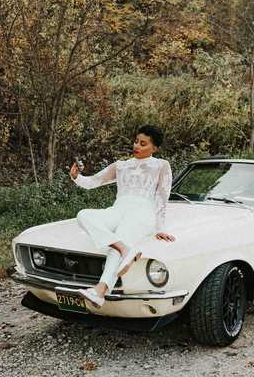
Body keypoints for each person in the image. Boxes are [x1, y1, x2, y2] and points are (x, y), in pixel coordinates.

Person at [68, 125, 175, 307]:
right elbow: (92, 182)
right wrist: (76, 177)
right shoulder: (121, 166)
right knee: (83, 215)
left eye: (143, 144)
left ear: (154, 148)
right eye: (136, 142)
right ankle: (125, 249)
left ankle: (99, 290)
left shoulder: (161, 165)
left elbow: (162, 197)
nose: (137, 146)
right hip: (118, 209)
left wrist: (160, 228)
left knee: (123, 233)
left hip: (143, 212)